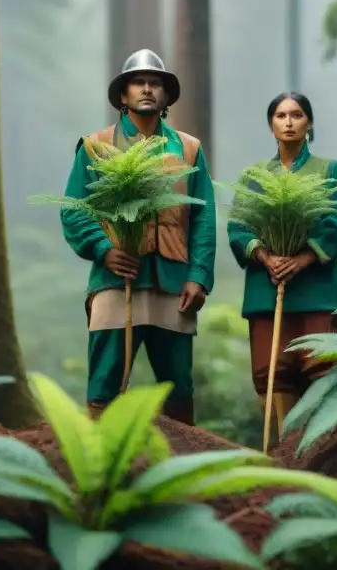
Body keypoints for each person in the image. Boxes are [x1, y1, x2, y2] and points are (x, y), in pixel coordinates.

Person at [60, 49, 216, 424]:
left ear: (165, 95)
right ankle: (102, 465)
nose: (147, 89)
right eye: (138, 82)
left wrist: (199, 277)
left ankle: (181, 468)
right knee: (105, 382)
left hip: (173, 282)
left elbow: (203, 217)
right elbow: (74, 209)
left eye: (155, 83)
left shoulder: (189, 148)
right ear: (123, 95)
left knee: (177, 387)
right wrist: (103, 250)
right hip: (116, 278)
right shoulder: (96, 146)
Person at [227, 92, 337, 433]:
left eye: (296, 115)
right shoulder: (254, 175)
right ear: (271, 125)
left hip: (316, 291)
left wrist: (303, 258)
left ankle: (322, 451)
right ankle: (278, 454)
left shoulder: (329, 170)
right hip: (268, 290)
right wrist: (266, 257)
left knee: (321, 366)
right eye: (281, 116)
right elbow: (238, 226)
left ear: (308, 123)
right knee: (271, 371)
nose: (288, 122)